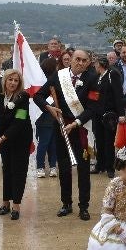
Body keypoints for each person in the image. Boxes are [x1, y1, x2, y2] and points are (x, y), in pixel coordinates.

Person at [35, 47, 98, 219]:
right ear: (70, 59)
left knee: (83, 169)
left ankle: (83, 206)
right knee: (63, 167)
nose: (80, 63)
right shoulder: (59, 76)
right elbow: (38, 96)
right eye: (77, 59)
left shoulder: (93, 78)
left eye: (84, 60)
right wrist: (49, 108)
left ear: (88, 63)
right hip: (62, 127)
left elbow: (93, 107)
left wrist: (77, 123)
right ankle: (66, 203)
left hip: (82, 128)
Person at [0, 69, 32, 219]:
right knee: (7, 169)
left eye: (16, 80)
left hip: (20, 138)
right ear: (4, 80)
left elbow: (19, 121)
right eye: (10, 79)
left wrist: (2, 138)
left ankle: (16, 205)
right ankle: (5, 203)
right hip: (2, 137)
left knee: (18, 170)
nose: (13, 83)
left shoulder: (23, 96)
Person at [94, 55, 126, 177]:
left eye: (96, 64)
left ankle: (110, 167)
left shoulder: (112, 75)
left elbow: (118, 95)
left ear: (100, 64)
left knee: (109, 140)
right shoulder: (97, 77)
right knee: (99, 139)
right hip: (98, 113)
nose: (95, 66)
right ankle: (100, 165)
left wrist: (121, 113)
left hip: (110, 114)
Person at [34, 58, 60, 179]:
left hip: (54, 118)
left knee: (53, 144)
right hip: (43, 118)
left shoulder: (55, 80)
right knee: (44, 144)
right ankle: (40, 167)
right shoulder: (43, 82)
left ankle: (53, 166)